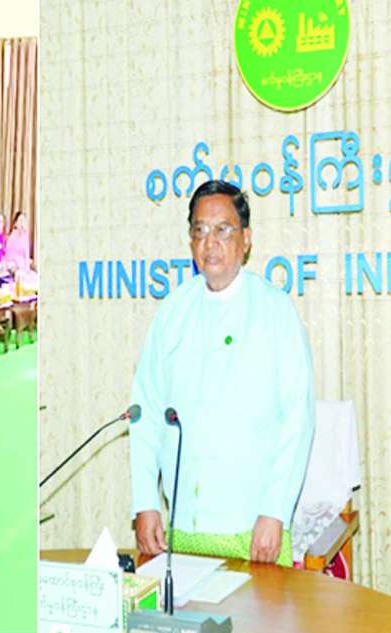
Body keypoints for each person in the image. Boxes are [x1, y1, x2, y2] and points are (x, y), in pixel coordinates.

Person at [130, 180, 315, 567]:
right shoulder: (173, 312)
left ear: (246, 239)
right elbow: (144, 412)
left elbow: (298, 421)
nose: (209, 242)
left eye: (222, 230)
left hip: (255, 530)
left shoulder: (275, 311)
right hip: (183, 530)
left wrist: (275, 510)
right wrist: (145, 502)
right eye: (199, 230)